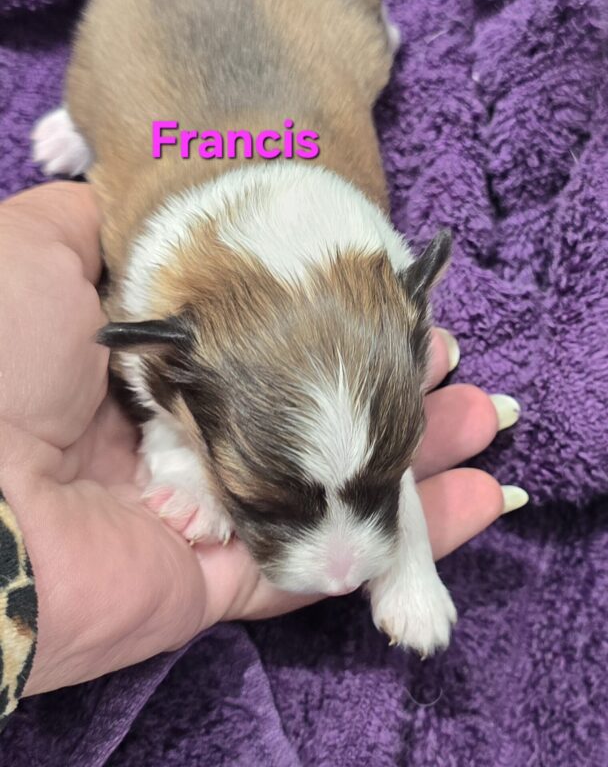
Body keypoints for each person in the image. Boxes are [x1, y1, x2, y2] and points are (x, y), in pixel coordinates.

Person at [0, 182, 527, 730]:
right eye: (267, 502)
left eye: (386, 478)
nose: (340, 578)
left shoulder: (386, 288)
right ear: (160, 362)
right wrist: (175, 455)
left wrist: (407, 555)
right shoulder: (158, 332)